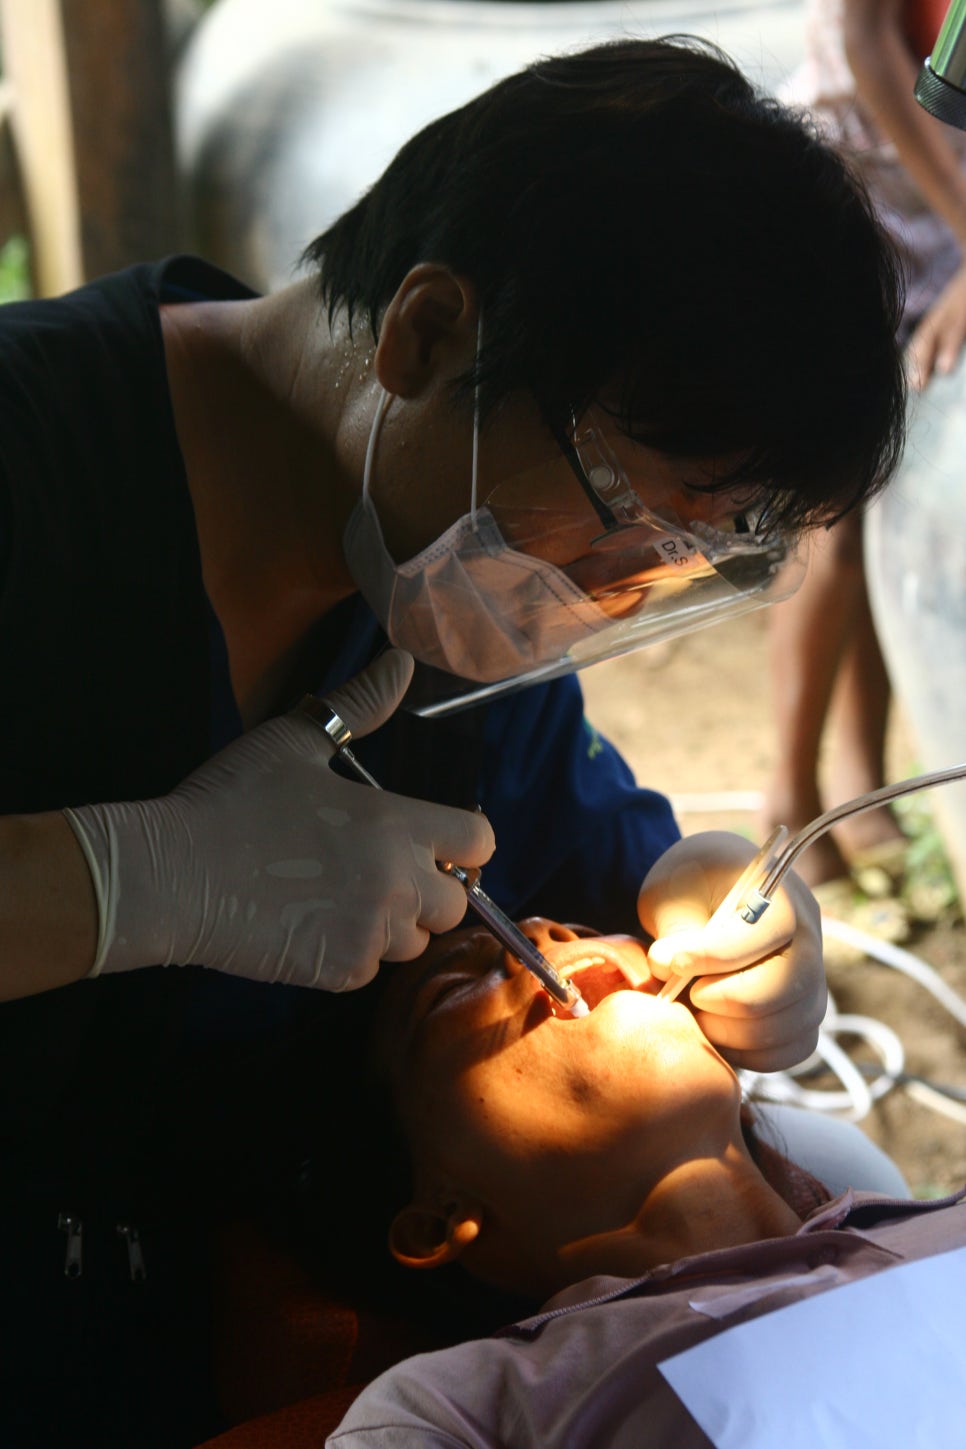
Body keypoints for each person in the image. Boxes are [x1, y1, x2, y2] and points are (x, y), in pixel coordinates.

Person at [0, 35, 905, 1448]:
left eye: (689, 565)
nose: (621, 593)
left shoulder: (450, 626)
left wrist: (716, 915)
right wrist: (119, 883)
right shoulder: (33, 472)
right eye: (626, 518)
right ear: (425, 337)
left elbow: (596, 892)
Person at [327, 915, 965, 1447]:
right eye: (455, 986)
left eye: (575, 926)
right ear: (440, 1217)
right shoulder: (456, 1410)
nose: (541, 934)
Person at [762, 0, 966, 889]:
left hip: (944, 179)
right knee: (838, 506)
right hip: (871, 175)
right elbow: (858, 34)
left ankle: (859, 778)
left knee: (894, 499)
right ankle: (788, 793)